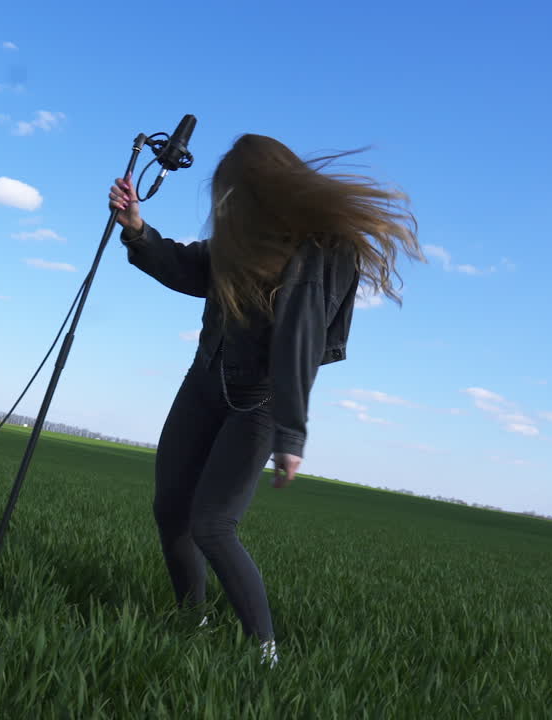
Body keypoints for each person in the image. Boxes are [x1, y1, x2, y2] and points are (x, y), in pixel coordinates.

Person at [107, 133, 423, 668]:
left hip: (261, 401)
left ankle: (265, 657)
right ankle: (194, 623)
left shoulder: (321, 249)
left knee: (212, 524)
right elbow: (192, 269)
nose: (227, 203)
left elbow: (301, 338)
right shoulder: (241, 238)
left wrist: (291, 431)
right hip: (205, 380)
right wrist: (138, 231)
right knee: (170, 510)